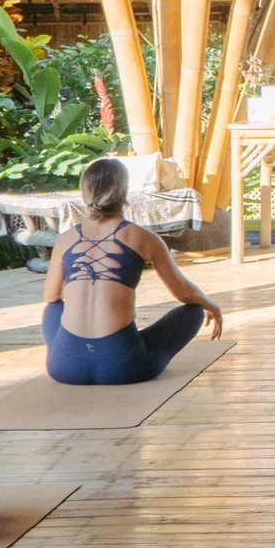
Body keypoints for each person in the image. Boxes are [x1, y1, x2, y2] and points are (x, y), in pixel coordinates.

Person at [41, 156, 224, 384]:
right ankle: (119, 350)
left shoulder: (65, 239)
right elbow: (185, 293)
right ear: (124, 192)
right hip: (123, 367)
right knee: (194, 311)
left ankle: (72, 353)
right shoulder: (144, 238)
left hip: (65, 368)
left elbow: (51, 296)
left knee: (53, 307)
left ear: (85, 193)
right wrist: (212, 305)